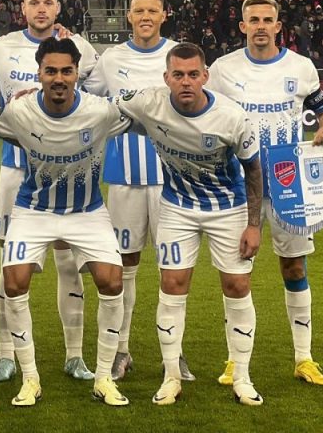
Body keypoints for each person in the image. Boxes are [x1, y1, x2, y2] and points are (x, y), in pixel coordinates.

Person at [0, 0, 99, 383]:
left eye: (48, 2)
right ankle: (6, 354)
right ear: (22, 8)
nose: (41, 9)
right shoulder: (0, 48)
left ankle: (74, 355)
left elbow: (100, 93)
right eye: (34, 2)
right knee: (10, 262)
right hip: (15, 168)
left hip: (67, 171)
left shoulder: (80, 47)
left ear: (58, 8)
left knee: (68, 262)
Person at [114, 43, 265, 406]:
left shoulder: (232, 117)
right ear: (166, 77)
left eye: (193, 74)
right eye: (178, 75)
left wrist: (254, 225)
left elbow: (254, 171)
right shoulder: (149, 102)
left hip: (228, 209)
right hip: (177, 208)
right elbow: (103, 106)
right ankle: (171, 377)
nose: (186, 82)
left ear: (205, 77)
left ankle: (242, 377)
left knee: (237, 285)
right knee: (172, 284)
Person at [0, 36, 133, 407]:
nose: (58, 78)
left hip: (87, 211)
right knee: (14, 281)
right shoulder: (19, 111)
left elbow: (141, 114)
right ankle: (30, 378)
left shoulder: (101, 111)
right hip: (34, 210)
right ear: (38, 73)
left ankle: (103, 378)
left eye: (66, 71)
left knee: (112, 280)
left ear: (77, 74)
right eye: (50, 71)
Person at [207, 0, 323, 387]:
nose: (261, 26)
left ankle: (304, 358)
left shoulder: (301, 67)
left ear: (278, 26)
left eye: (267, 20)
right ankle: (235, 361)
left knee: (294, 267)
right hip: (237, 185)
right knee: (236, 275)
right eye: (254, 20)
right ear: (243, 26)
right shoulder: (222, 69)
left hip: (288, 185)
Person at [82, 0, 195, 381]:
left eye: (152, 10)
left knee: (173, 268)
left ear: (164, 14)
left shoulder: (180, 54)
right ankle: (121, 350)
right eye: (138, 11)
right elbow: (85, 96)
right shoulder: (112, 59)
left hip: (173, 179)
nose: (145, 17)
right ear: (128, 16)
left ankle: (173, 355)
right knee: (123, 265)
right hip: (124, 176)